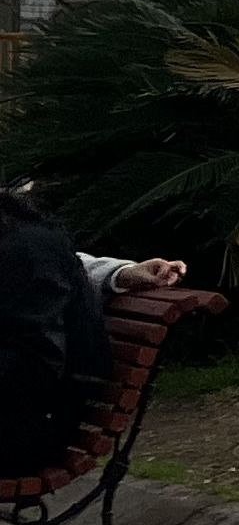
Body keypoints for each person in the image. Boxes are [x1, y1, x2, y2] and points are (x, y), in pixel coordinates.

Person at [0, 188, 179, 477]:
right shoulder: (20, 237)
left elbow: (27, 366)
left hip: (25, 428)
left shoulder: (24, 248)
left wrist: (121, 274)